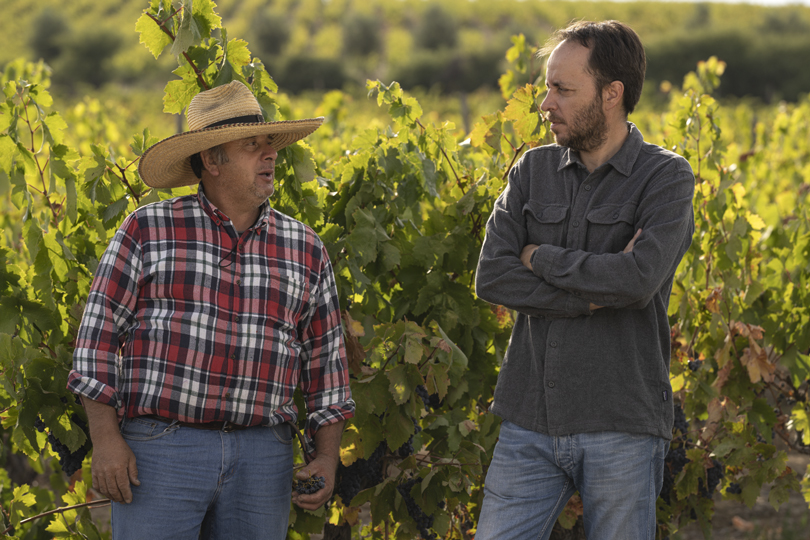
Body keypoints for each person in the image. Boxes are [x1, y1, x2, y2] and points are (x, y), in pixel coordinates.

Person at [68, 80, 355, 540]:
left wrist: (326, 456)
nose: (270, 155)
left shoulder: (305, 247)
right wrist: (105, 440)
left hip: (264, 458)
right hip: (161, 451)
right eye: (252, 145)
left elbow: (326, 364)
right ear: (212, 160)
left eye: (269, 143)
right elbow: (96, 341)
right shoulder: (148, 229)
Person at [474, 20, 695, 540]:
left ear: (611, 94)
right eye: (547, 87)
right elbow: (493, 276)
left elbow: (636, 280)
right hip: (529, 419)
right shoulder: (532, 171)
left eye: (563, 90)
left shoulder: (666, 178)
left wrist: (539, 256)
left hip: (621, 423)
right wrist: (590, 298)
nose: (545, 104)